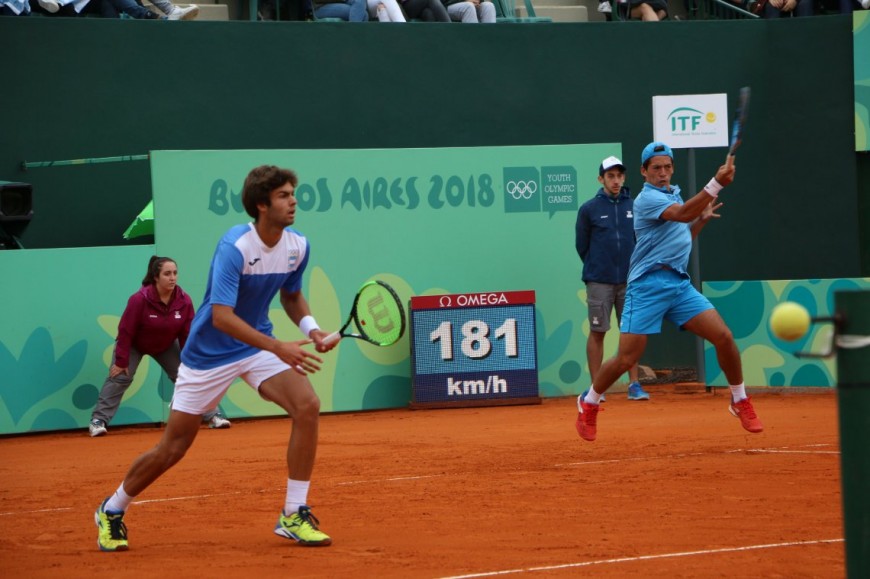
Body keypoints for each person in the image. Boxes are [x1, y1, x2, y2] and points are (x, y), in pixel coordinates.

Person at [94, 166, 337, 552]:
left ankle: (294, 512)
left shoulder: (297, 245)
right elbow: (222, 316)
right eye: (283, 195)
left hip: (255, 346)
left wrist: (312, 330)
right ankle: (112, 508)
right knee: (173, 448)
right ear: (261, 204)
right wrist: (278, 347)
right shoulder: (235, 246)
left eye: (293, 193)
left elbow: (291, 296)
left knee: (307, 405)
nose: (293, 201)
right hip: (208, 353)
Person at [575, 142, 764, 442]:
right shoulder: (646, 199)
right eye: (656, 169)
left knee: (724, 337)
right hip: (647, 286)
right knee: (625, 359)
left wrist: (699, 221)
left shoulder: (672, 194)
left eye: (667, 167)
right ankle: (589, 402)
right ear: (644, 172)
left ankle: (739, 399)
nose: (662, 173)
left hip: (678, 285)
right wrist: (716, 184)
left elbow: (681, 233)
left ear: (672, 168)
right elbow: (682, 213)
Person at [88, 256, 231, 438]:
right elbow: (125, 331)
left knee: (189, 376)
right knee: (120, 376)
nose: (172, 278)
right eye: (167, 274)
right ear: (156, 277)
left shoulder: (184, 300)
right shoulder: (139, 299)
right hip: (134, 344)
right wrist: (121, 360)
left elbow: (187, 334)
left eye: (175, 273)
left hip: (166, 344)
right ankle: (98, 421)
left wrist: (190, 361)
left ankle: (213, 416)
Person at [575, 156, 651, 403]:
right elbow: (582, 246)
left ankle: (634, 385)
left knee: (631, 331)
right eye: (610, 176)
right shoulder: (589, 209)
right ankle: (598, 388)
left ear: (624, 178)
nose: (616, 180)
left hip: (631, 280)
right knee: (598, 331)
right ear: (601, 179)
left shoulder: (635, 206)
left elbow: (641, 240)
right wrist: (599, 267)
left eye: (619, 175)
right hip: (599, 281)